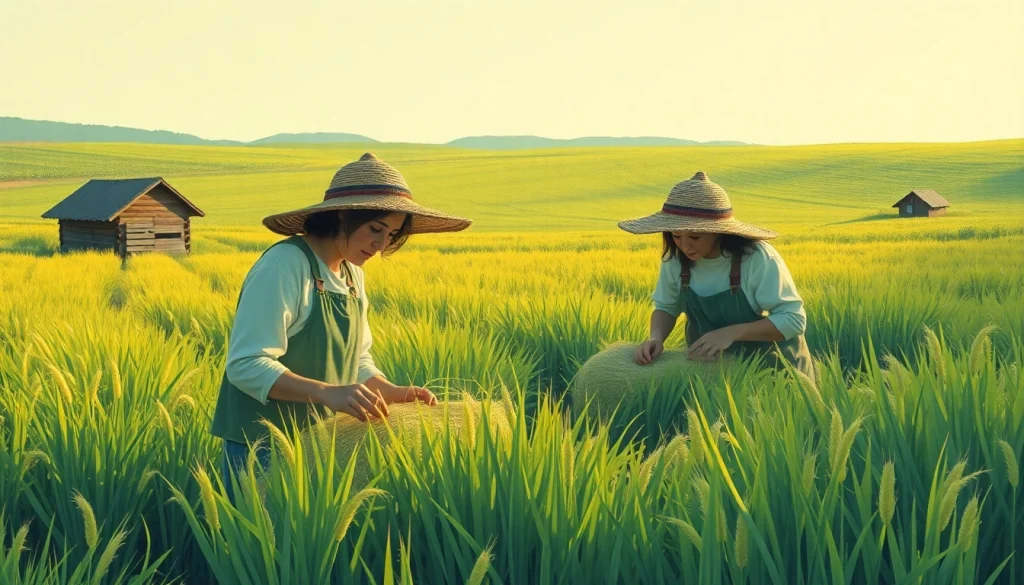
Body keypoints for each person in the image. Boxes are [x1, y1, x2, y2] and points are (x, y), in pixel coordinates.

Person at [209, 152, 472, 502]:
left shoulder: (351, 276)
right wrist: (326, 392)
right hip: (263, 448)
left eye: (392, 234)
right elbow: (245, 364)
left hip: (323, 441)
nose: (381, 245)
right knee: (261, 550)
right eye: (375, 230)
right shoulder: (285, 265)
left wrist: (392, 392)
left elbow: (357, 361)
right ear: (341, 217)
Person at [618, 171, 814, 379]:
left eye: (694, 236)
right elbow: (667, 306)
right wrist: (656, 338)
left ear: (719, 232)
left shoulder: (756, 259)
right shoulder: (675, 260)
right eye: (676, 236)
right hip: (712, 373)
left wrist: (730, 333)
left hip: (775, 372)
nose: (684, 245)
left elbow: (793, 320)